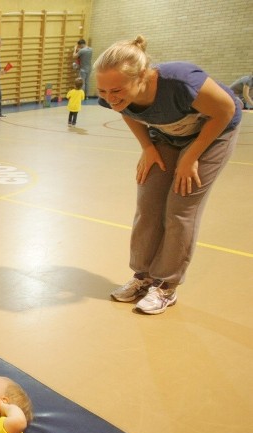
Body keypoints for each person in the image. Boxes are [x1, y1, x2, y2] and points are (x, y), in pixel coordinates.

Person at [95, 36, 242, 314]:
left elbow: (226, 110)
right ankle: (143, 276)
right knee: (148, 204)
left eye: (116, 90)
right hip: (167, 134)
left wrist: (191, 155)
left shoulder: (181, 82)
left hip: (213, 133)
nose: (110, 99)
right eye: (102, 92)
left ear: (142, 76)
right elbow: (127, 111)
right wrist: (148, 147)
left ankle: (166, 285)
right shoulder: (113, 95)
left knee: (180, 207)